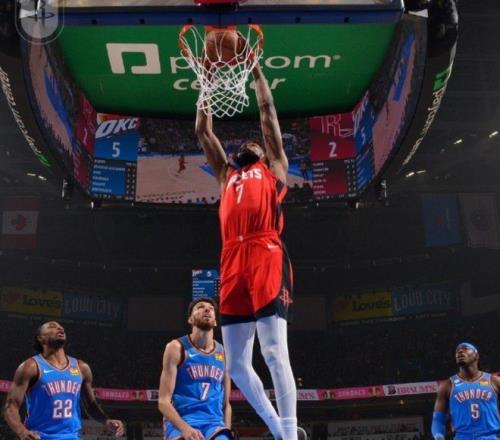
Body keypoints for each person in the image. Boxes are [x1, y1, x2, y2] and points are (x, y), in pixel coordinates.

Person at [195, 61, 305, 440]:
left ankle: (288, 434)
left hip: (265, 250)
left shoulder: (274, 168)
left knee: (274, 352)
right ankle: (279, 429)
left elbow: (267, 113)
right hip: (231, 257)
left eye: (254, 143)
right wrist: (207, 83)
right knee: (237, 367)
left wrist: (256, 73)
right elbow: (203, 130)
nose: (249, 144)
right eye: (244, 144)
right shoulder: (226, 175)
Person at [3, 321, 125, 440]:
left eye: (61, 327)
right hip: (39, 436)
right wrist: (21, 431)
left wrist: (106, 420)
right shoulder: (31, 367)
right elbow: (11, 406)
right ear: (40, 338)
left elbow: (91, 406)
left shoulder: (81, 367)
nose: (60, 329)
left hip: (72, 436)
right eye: (52, 326)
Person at [158, 297, 232, 440]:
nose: (207, 309)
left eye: (211, 308)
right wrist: (185, 429)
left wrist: (226, 430)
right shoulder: (176, 347)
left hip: (214, 424)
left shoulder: (224, 352)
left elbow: (226, 404)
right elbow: (163, 401)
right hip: (182, 421)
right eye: (200, 307)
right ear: (190, 319)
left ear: (215, 321)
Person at [432, 342, 500, 440]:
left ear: (476, 355)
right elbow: (438, 419)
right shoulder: (447, 385)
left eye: (465, 348)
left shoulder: (494, 381)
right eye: (457, 351)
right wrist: (439, 437)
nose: (460, 351)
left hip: (491, 436)